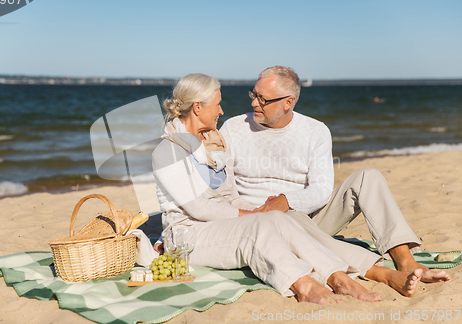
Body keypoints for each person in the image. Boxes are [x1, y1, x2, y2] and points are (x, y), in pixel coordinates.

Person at [152, 73, 423, 304]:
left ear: (288, 102)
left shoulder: (213, 141)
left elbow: (231, 198)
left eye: (262, 98)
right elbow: (199, 207)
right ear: (198, 108)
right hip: (189, 236)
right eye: (218, 104)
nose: (223, 111)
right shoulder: (167, 152)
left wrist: (269, 209)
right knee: (264, 222)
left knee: (275, 218)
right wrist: (259, 214)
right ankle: (304, 285)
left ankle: (339, 277)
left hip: (245, 221)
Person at [219, 65, 450, 284]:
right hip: (257, 220)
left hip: (308, 216)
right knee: (285, 219)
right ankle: (376, 269)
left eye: (263, 99)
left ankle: (406, 261)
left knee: (368, 176)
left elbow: (320, 190)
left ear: (288, 102)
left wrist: (287, 200)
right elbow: (222, 186)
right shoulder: (233, 128)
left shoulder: (315, 131)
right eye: (254, 94)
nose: (254, 103)